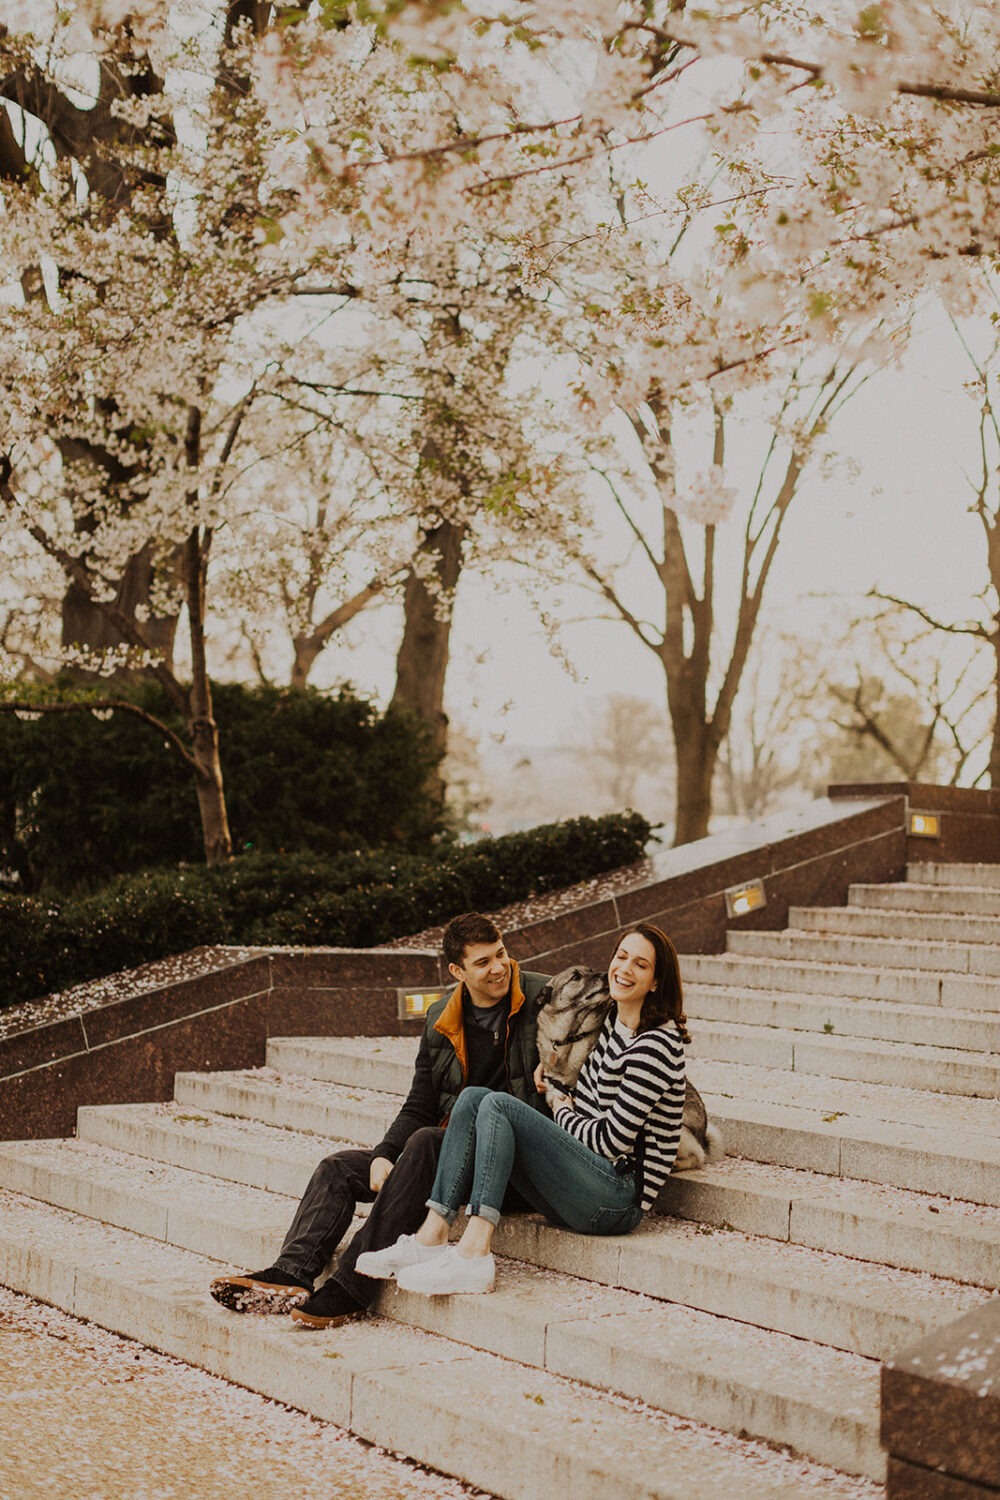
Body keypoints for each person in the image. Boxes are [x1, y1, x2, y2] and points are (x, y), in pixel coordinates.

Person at [209, 911, 550, 1327]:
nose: (499, 968)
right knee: (339, 1168)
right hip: (453, 1156)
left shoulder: (542, 997)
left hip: (513, 1166)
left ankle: (350, 1288)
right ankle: (291, 1273)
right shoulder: (441, 1018)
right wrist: (384, 1153)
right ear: (457, 971)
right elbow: (420, 1103)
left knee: (427, 1143)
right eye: (483, 962)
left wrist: (557, 1068)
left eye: (500, 954)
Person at [356, 922, 687, 1297]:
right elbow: (586, 1097)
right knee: (473, 1097)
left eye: (640, 965)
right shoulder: (613, 1021)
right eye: (621, 957)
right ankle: (431, 1237)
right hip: (585, 1179)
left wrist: (559, 1105)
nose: (624, 969)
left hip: (617, 1199)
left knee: (498, 1105)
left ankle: (475, 1253)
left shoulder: (656, 1045)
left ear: (657, 981)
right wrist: (558, 1082)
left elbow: (609, 1141)